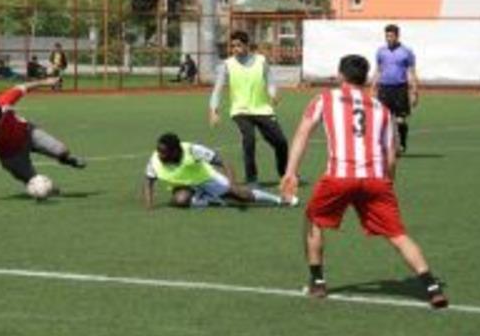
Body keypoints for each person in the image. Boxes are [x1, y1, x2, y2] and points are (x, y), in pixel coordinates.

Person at [279, 54, 448, 308]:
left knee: (313, 220)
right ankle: (432, 287)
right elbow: (391, 155)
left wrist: (290, 171)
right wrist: (388, 183)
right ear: (367, 78)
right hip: (375, 180)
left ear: (340, 76)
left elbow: (302, 134)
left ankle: (317, 283)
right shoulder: (382, 108)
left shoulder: (324, 99)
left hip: (340, 177)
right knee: (398, 234)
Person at [0, 77, 86, 204]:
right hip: (11, 156)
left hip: (29, 134)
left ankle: (66, 159)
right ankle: (43, 187)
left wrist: (46, 82)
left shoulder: (3, 102)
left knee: (61, 150)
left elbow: (23, 87)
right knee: (35, 182)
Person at [209, 30, 288, 187]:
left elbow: (270, 81)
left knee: (281, 142)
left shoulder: (261, 61)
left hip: (263, 109)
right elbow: (217, 90)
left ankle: (284, 173)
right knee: (249, 140)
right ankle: (252, 179)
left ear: (247, 45)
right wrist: (213, 111)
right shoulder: (227, 65)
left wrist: (273, 94)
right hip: (241, 111)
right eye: (232, 46)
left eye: (238, 45)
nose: (234, 49)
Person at [142, 132, 295, 209]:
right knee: (180, 200)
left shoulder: (192, 150)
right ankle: (210, 200)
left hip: (206, 178)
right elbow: (148, 181)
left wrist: (232, 185)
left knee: (241, 196)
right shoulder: (155, 160)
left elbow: (225, 163)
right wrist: (149, 205)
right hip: (184, 185)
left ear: (175, 151)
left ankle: (280, 200)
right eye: (159, 151)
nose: (160, 155)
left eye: (164, 152)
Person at [372, 24, 419, 154]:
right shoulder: (381, 51)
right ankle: (382, 146)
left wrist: (414, 91)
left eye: (391, 36)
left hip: (400, 89)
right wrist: (373, 86)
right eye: (387, 36)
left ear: (397, 36)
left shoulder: (406, 52)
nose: (388, 38)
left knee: (400, 120)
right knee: (381, 119)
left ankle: (402, 143)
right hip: (384, 89)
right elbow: (378, 70)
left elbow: (411, 72)